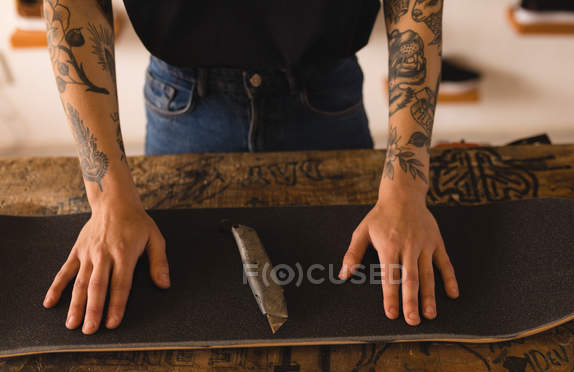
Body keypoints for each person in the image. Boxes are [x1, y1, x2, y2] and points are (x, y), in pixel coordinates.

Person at [42, 0, 459, 335]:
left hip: (326, 96)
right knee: (175, 304)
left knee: (358, 299)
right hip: (184, 99)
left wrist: (406, 187)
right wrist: (108, 198)